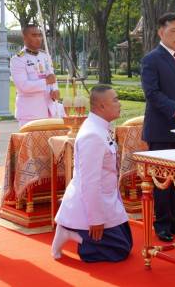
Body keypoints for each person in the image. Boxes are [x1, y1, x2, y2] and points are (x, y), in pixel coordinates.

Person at [52, 85, 132, 262]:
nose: (120, 104)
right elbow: (90, 182)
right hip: (91, 201)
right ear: (101, 106)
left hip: (107, 197)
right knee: (119, 251)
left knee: (127, 243)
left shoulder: (101, 126)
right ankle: (71, 233)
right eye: (115, 100)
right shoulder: (92, 135)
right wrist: (96, 219)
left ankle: (77, 233)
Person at [140, 13, 175, 242]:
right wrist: (174, 108)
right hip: (160, 128)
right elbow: (151, 93)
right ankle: (162, 223)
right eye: (174, 30)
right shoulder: (151, 59)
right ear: (161, 32)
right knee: (163, 180)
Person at [10, 24, 64, 127]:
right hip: (30, 114)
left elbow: (52, 77)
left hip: (49, 110)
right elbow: (23, 86)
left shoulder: (45, 56)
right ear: (24, 38)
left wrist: (55, 90)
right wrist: (46, 82)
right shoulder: (18, 60)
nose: (38, 38)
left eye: (39, 35)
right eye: (34, 35)